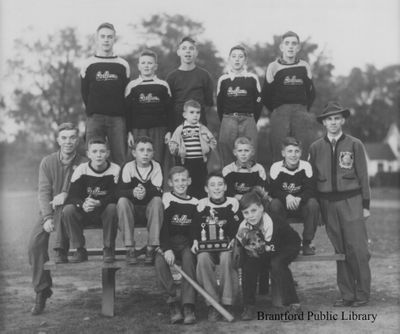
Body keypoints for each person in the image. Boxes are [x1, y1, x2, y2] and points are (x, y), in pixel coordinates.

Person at [309, 101, 371, 307]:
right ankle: (347, 294)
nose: (333, 122)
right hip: (328, 204)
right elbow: (312, 179)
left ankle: (362, 293)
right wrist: (317, 208)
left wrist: (365, 205)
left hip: (351, 200)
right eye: (329, 119)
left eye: (337, 118)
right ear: (324, 123)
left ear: (343, 120)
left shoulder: (355, 144)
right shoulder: (315, 147)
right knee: (340, 250)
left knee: (358, 249)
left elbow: (363, 175)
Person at [28, 123, 87, 315]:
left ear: (77, 140)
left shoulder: (85, 161)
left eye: (72, 137)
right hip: (51, 209)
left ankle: (61, 249)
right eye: (64, 138)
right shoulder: (47, 161)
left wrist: (66, 195)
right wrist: (46, 217)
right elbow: (44, 192)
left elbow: (85, 190)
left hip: (74, 209)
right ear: (58, 140)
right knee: (35, 243)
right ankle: (42, 290)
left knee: (66, 209)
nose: (68, 142)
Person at [236, 188, 301, 320]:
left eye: (253, 210)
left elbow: (272, 248)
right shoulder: (243, 227)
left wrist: (260, 251)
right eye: (246, 213)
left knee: (277, 264)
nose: (250, 216)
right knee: (248, 265)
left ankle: (294, 304)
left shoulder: (272, 222)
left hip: (287, 245)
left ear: (261, 208)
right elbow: (246, 247)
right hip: (266, 247)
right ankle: (249, 305)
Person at [191, 172, 241, 321]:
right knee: (202, 258)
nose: (217, 188)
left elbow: (238, 226)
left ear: (225, 187)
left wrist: (234, 239)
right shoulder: (201, 204)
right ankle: (212, 303)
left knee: (227, 257)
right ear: (206, 189)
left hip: (226, 245)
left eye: (220, 184)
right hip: (208, 246)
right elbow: (194, 227)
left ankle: (227, 302)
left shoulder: (232, 203)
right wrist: (194, 240)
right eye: (212, 185)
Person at [62, 137, 120, 263]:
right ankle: (79, 249)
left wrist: (100, 202)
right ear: (88, 154)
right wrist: (82, 204)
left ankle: (108, 248)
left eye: (102, 151)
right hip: (85, 211)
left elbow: (117, 195)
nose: (98, 155)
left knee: (112, 208)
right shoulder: (81, 169)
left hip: (104, 212)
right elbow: (72, 196)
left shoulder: (115, 169)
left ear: (108, 153)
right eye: (94, 151)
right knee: (68, 210)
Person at [261, 31, 316, 164]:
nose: (290, 46)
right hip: (280, 112)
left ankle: (303, 182)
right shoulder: (273, 66)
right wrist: (276, 109)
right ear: (281, 47)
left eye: (294, 43)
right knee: (279, 152)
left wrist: (303, 109)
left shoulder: (304, 66)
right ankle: (278, 182)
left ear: (298, 47)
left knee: (302, 152)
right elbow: (266, 94)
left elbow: (311, 92)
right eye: (287, 43)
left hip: (301, 112)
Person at [80, 22, 130, 166]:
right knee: (94, 157)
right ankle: (94, 188)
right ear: (97, 38)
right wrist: (94, 110)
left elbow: (126, 94)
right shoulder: (88, 64)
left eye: (110, 37)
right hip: (95, 119)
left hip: (117, 120)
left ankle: (120, 188)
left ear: (114, 39)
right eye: (103, 36)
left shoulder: (123, 65)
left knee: (119, 157)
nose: (106, 40)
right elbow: (85, 94)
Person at [154, 166, 198, 325]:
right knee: (160, 262)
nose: (181, 183)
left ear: (189, 181)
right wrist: (166, 249)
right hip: (167, 242)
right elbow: (163, 227)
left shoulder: (195, 202)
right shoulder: (165, 198)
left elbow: (194, 229)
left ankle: (188, 305)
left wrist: (194, 244)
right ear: (170, 183)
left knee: (189, 260)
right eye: (177, 180)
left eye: (184, 180)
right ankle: (173, 302)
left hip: (186, 243)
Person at [269, 137, 320, 255]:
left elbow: (311, 189)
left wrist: (299, 198)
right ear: (283, 153)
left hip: (301, 205)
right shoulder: (276, 167)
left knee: (313, 203)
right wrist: (287, 196)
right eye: (290, 151)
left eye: (296, 151)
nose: (293, 155)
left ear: (301, 153)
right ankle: (281, 242)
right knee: (274, 204)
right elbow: (274, 190)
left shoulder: (306, 166)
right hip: (284, 206)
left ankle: (307, 242)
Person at [116, 136, 163, 265]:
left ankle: (151, 247)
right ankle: (130, 247)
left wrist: (144, 192)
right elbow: (119, 192)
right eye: (141, 150)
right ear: (134, 153)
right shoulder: (128, 167)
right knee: (122, 201)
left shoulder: (157, 166)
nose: (145, 153)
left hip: (149, 210)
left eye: (149, 150)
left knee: (158, 201)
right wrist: (133, 192)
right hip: (132, 210)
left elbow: (158, 191)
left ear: (153, 153)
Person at [217, 45, 262, 166]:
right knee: (227, 155)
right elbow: (219, 104)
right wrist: (226, 120)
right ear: (229, 59)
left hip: (248, 119)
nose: (237, 59)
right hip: (228, 119)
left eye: (240, 57)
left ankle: (250, 182)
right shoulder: (223, 79)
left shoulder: (252, 78)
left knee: (250, 153)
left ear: (245, 60)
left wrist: (251, 120)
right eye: (234, 56)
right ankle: (228, 182)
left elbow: (258, 102)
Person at [125, 49, 173, 164]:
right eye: (143, 63)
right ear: (138, 66)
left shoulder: (163, 85)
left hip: (159, 130)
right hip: (138, 130)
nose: (146, 66)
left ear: (155, 66)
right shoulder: (132, 86)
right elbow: (127, 111)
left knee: (158, 161)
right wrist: (129, 132)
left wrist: (169, 131)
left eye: (150, 63)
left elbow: (170, 110)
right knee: (139, 162)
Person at [169, 99, 217, 199]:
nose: (195, 115)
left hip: (200, 161)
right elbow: (173, 144)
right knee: (187, 184)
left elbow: (212, 140)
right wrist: (177, 150)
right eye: (191, 112)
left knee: (201, 183)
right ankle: (186, 202)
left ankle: (201, 204)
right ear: (184, 115)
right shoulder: (180, 129)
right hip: (186, 161)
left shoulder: (202, 128)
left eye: (198, 113)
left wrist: (209, 146)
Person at [166, 36, 214, 130]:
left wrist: (196, 116)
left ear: (196, 53)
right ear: (178, 52)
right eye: (184, 48)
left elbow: (208, 104)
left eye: (191, 48)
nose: (188, 51)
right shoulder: (171, 77)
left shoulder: (204, 76)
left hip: (199, 127)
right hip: (177, 126)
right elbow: (168, 106)